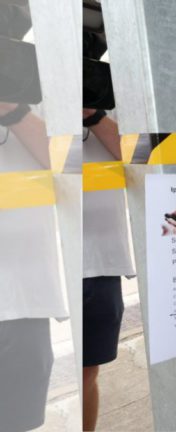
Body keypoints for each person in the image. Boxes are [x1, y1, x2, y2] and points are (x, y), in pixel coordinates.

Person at [0, 101, 68, 432]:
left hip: (22, 302)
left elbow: (70, 166)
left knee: (16, 422)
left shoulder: (34, 97)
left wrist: (13, 111)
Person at [81, 109, 136, 431]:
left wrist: (93, 114)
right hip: (32, 260)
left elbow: (144, 161)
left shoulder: (106, 95)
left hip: (99, 260)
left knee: (87, 371)